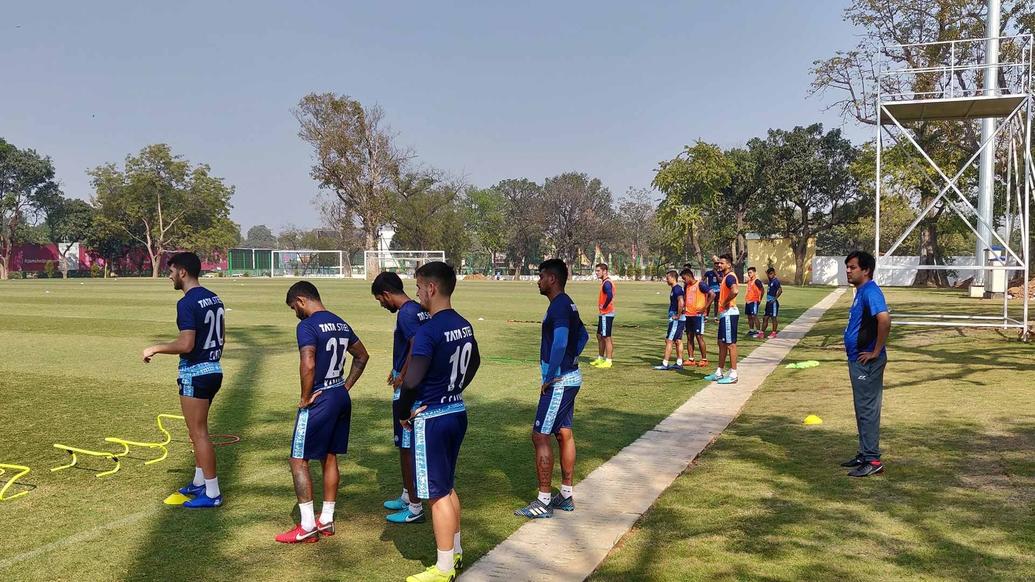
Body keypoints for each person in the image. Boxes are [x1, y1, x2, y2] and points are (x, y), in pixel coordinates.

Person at [397, 262, 481, 582]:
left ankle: (443, 568)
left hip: (432, 417)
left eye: (418, 287)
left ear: (431, 288)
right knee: (446, 486)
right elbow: (474, 361)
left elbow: (412, 379)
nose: (416, 293)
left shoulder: (428, 330)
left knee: (437, 493)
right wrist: (454, 389)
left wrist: (405, 412)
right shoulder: (463, 323)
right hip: (456, 411)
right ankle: (454, 551)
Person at [276, 281, 369, 543]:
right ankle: (326, 520)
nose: (295, 312)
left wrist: (305, 398)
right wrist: (345, 386)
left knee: (298, 460)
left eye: (294, 307)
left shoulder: (307, 325)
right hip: (339, 394)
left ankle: (307, 527)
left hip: (320, 398)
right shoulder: (341, 322)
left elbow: (308, 362)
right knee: (329, 457)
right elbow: (362, 356)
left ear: (302, 300)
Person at [142, 252, 226, 508]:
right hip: (213, 368)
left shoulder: (187, 303)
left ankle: (212, 493)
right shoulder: (214, 298)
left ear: (183, 272)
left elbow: (186, 344)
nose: (169, 276)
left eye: (171, 271)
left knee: (199, 433)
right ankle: (200, 482)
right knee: (196, 431)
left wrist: (155, 348)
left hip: (195, 372)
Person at [515, 259, 589, 520]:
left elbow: (559, 341)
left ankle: (544, 501)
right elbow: (583, 336)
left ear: (552, 279)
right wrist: (572, 357)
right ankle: (566, 495)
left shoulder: (559, 306)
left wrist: (551, 374)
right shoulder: (568, 303)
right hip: (572, 377)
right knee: (564, 433)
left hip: (559, 381)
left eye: (541, 276)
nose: (538, 280)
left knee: (540, 436)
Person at [372, 271, 430, 524]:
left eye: (379, 300)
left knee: (406, 447)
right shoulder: (418, 309)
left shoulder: (406, 312)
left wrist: (403, 375)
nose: (381, 305)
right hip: (417, 383)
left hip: (409, 389)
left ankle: (415, 508)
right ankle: (408, 495)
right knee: (405, 445)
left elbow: (416, 343)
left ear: (386, 294)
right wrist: (397, 368)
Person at [841, 251, 891, 478]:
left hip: (867, 361)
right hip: (856, 359)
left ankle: (872, 459)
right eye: (847, 267)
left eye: (852, 267)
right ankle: (863, 453)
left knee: (868, 410)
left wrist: (876, 350)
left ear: (866, 270)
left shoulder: (871, 291)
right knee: (861, 408)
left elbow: (884, 319)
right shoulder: (861, 292)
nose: (848, 271)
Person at [704, 254, 739, 385]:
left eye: (722, 263)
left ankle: (733, 374)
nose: (719, 265)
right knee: (721, 343)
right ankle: (719, 372)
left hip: (730, 313)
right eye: (718, 263)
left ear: (729, 265)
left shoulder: (730, 277)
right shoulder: (725, 277)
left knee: (730, 344)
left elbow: (735, 291)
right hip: (725, 314)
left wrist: (725, 301)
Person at [680, 268, 713, 367]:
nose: (683, 280)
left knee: (699, 336)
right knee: (689, 337)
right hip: (688, 315)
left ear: (689, 276)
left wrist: (705, 308)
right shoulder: (687, 286)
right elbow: (686, 297)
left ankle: (704, 359)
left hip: (698, 315)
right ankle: (691, 359)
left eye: (684, 278)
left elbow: (712, 294)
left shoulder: (701, 284)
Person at [653, 270, 686, 371]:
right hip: (679, 318)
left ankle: (665, 363)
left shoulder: (677, 289)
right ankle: (679, 363)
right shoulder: (675, 289)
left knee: (669, 340)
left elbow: (681, 302)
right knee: (678, 340)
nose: (666, 280)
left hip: (677, 319)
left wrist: (678, 315)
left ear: (672, 278)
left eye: (667, 278)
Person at [590, 263, 615, 369]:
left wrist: (604, 306)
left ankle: (608, 360)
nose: (596, 273)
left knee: (606, 337)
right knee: (599, 336)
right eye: (596, 271)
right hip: (603, 314)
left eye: (598, 271)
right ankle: (600, 358)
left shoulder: (607, 283)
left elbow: (610, 295)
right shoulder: (604, 282)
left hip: (606, 314)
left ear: (605, 271)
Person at [760, 267, 783, 338]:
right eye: (769, 274)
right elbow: (769, 276)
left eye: (771, 274)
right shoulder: (770, 281)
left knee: (773, 318)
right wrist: (766, 273)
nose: (770, 275)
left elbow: (780, 290)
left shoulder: (776, 281)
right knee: (765, 318)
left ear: (774, 273)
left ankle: (774, 333)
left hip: (773, 303)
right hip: (768, 303)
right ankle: (761, 333)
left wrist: (775, 298)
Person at [744, 267, 765, 337]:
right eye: (748, 273)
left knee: (754, 316)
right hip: (748, 301)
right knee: (749, 316)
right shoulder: (749, 281)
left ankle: (759, 332)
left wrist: (760, 299)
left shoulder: (757, 281)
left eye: (750, 272)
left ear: (754, 273)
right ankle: (751, 330)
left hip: (754, 301)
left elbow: (762, 290)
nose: (749, 274)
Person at [703, 256, 721, 321]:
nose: (717, 265)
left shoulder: (720, 273)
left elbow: (720, 280)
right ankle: (706, 316)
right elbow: (703, 280)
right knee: (709, 303)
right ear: (714, 264)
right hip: (710, 290)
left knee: (716, 303)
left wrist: (716, 273)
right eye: (715, 263)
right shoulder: (708, 272)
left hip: (718, 290)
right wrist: (705, 287)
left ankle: (715, 317)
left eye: (718, 264)